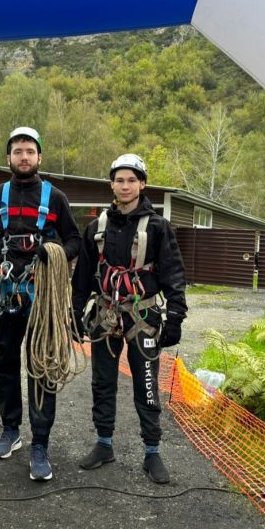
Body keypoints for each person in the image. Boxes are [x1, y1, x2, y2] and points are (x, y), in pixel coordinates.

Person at [0, 126, 81, 481]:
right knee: (4, 364)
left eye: (30, 151)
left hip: (41, 297)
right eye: (18, 151)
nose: (24, 156)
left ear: (39, 157)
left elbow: (75, 241)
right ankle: (10, 429)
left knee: (42, 365)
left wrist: (53, 252)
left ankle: (40, 444)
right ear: (9, 158)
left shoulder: (55, 198)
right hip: (2, 294)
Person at [71, 153, 187, 484]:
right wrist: (74, 312)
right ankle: (104, 444)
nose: (125, 186)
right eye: (119, 180)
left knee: (146, 384)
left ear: (142, 184)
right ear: (112, 185)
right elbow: (82, 277)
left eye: (131, 180)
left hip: (143, 316)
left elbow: (174, 273)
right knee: (102, 382)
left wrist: (175, 317)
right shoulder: (96, 228)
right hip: (105, 315)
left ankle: (152, 452)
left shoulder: (159, 228)